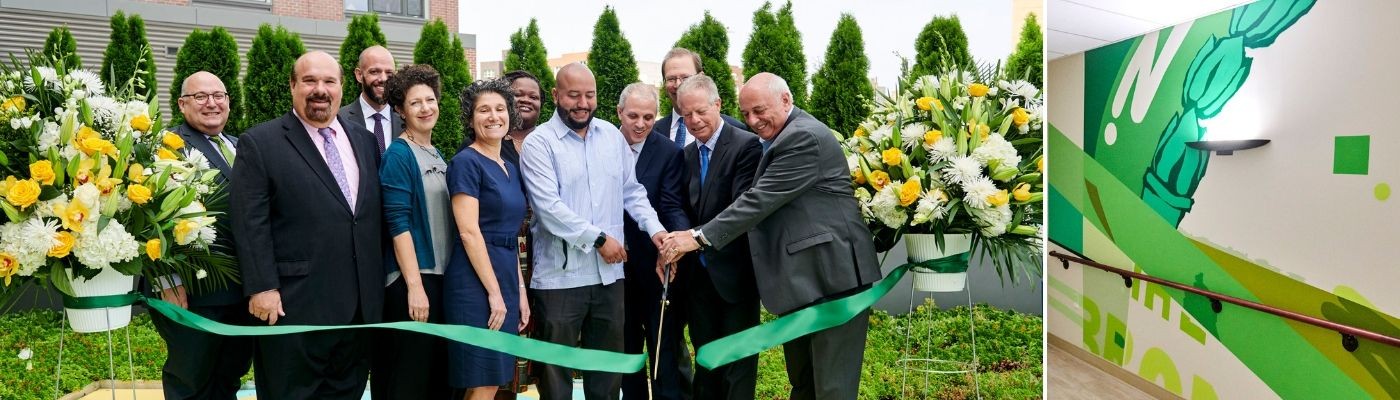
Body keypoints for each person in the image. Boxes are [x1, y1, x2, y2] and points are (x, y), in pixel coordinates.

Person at [659, 73, 882, 400]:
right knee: (804, 383)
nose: (752, 120)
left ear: (786, 100)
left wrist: (697, 238)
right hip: (804, 281)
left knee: (832, 388)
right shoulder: (780, 137)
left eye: (759, 110)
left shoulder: (802, 137)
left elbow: (758, 201)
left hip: (833, 278)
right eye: (746, 113)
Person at [230, 51, 384, 400]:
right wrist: (262, 288)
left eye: (329, 81)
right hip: (293, 309)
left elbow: (364, 218)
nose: (320, 90)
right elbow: (249, 221)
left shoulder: (363, 140)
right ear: (293, 85)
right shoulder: (261, 143)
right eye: (310, 81)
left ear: (343, 87)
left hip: (358, 311)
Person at [520, 62, 668, 400]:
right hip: (560, 280)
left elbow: (632, 192)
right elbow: (549, 208)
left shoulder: (612, 137)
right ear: (556, 95)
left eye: (590, 95)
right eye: (574, 95)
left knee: (606, 374)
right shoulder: (539, 143)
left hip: (609, 280)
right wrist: (599, 240)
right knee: (555, 379)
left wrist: (656, 231)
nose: (583, 103)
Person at [147, 71, 253, 400]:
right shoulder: (166, 147)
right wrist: (166, 279)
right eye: (200, 97)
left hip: (242, 290)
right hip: (193, 291)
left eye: (219, 95)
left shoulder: (242, 145)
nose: (212, 103)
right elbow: (148, 217)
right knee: (190, 380)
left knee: (229, 376)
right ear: (182, 104)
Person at [674, 74, 763, 399]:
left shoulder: (746, 145)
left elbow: (742, 208)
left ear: (718, 104)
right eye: (687, 114)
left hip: (736, 277)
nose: (694, 120)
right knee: (706, 362)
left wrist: (695, 236)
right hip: (698, 280)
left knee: (738, 369)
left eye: (701, 111)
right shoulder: (684, 156)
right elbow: (682, 207)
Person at [444, 78, 530, 400]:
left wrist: (517, 293)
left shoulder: (509, 165)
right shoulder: (466, 162)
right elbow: (468, 232)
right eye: (483, 110)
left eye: (500, 108)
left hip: (505, 274)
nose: (493, 116)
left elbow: (512, 235)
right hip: (474, 282)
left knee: (495, 379)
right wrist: (495, 294)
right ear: (470, 118)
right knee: (481, 380)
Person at [371, 64, 451, 400]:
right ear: (401, 110)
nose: (425, 108)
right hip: (411, 282)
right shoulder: (398, 155)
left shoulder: (435, 151)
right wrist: (415, 288)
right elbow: (397, 224)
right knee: (408, 382)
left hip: (441, 279)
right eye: (415, 102)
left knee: (436, 381)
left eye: (430, 100)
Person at [615, 82, 692, 400]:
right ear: (619, 112)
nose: (640, 124)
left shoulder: (669, 152)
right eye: (633, 115)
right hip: (612, 267)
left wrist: (673, 246)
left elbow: (673, 204)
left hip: (656, 266)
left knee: (665, 350)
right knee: (626, 350)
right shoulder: (602, 143)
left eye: (649, 117)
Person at [654, 48, 746, 147]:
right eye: (671, 79)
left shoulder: (736, 129)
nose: (678, 84)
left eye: (685, 77)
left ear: (701, 77)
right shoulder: (653, 132)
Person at [338, 45, 403, 156]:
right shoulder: (339, 119)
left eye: (389, 73)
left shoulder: (406, 121)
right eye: (374, 72)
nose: (383, 79)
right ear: (359, 75)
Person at [500, 70, 543, 167]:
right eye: (517, 95)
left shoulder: (548, 140)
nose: (526, 100)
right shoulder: (486, 141)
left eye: (533, 97)